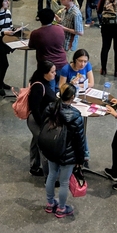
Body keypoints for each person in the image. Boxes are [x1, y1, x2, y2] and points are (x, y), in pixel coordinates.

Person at [42, 84, 86, 218]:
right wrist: (80, 159)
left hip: (52, 149)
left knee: (51, 175)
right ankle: (61, 208)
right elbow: (80, 141)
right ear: (73, 97)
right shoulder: (76, 116)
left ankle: (50, 204)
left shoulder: (51, 108)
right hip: (68, 154)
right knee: (64, 182)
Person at [25, 60, 59, 177]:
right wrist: (42, 126)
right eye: (52, 72)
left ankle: (34, 167)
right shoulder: (39, 87)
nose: (55, 74)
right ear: (45, 73)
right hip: (37, 121)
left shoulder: (43, 83)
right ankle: (48, 177)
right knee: (44, 147)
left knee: (36, 141)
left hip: (41, 120)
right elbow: (35, 109)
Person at [0, 0, 20, 97]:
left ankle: (1, 82)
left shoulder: (8, 12)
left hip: (7, 40)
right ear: (0, 3)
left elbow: (10, 25)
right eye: (5, 1)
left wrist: (13, 30)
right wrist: (4, 33)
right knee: (4, 63)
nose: (7, 2)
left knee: (3, 63)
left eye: (7, 0)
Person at [29, 8, 68, 72]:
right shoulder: (60, 29)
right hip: (62, 63)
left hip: (47, 67)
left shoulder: (36, 33)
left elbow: (31, 45)